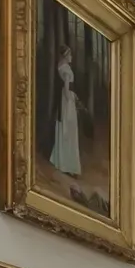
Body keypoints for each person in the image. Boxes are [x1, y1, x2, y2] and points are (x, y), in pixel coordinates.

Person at [50, 46, 82, 177]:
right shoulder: (67, 70)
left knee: (65, 129)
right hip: (67, 102)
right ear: (66, 55)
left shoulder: (60, 67)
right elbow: (67, 89)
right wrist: (72, 98)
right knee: (69, 130)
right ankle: (69, 165)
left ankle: (61, 160)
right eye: (70, 55)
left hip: (62, 100)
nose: (71, 57)